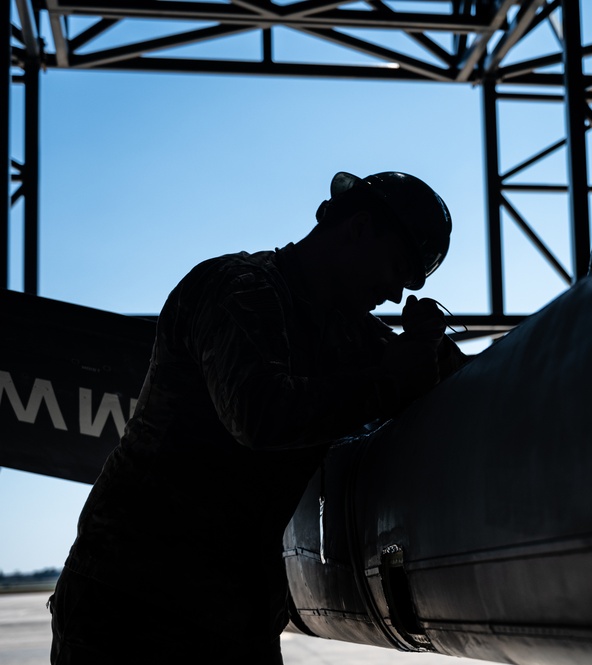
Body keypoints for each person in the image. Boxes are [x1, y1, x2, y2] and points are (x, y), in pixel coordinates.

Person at [48, 171, 470, 664]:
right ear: (358, 230)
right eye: (396, 268)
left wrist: (429, 352)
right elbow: (259, 414)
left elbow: (454, 379)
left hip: (229, 618)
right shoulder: (236, 288)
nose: (397, 295)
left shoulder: (348, 333)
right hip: (131, 614)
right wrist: (390, 378)